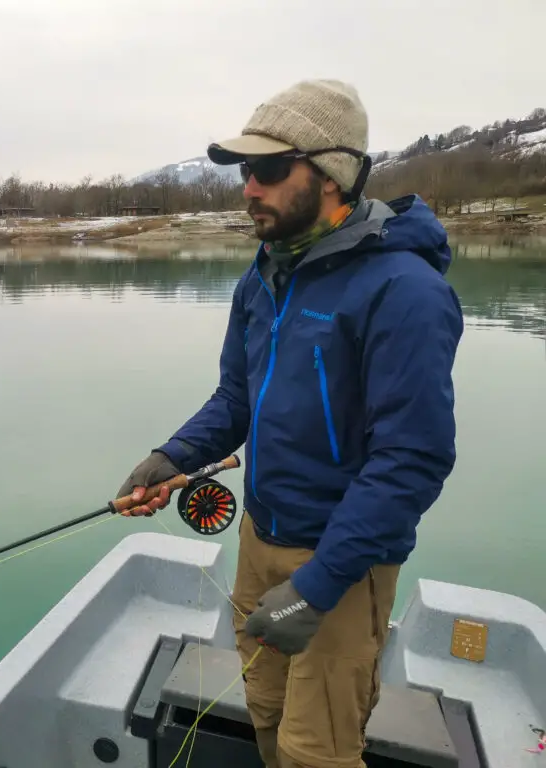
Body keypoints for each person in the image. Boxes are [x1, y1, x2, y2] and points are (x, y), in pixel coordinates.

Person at [115, 79, 464, 768]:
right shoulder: (264, 276)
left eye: (269, 170)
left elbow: (412, 461)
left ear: (331, 173)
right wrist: (172, 456)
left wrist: (317, 584)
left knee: (317, 754)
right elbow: (237, 401)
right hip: (258, 539)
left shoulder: (407, 292)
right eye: (246, 171)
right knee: (266, 714)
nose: (249, 188)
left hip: (340, 561)